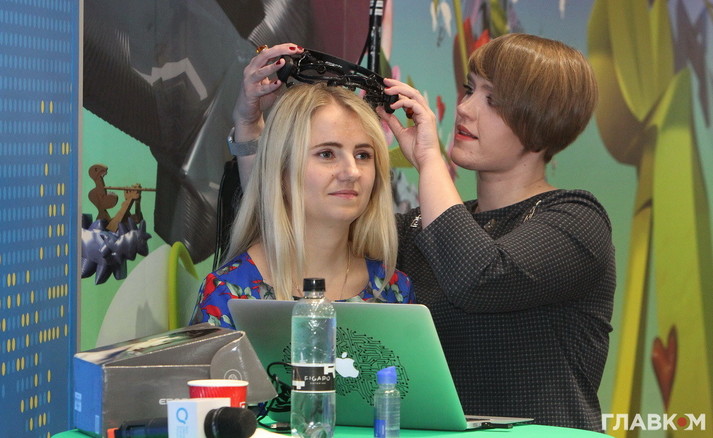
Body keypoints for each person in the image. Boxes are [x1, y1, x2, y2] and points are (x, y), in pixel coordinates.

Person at [230, 35, 615, 431]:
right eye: (469, 89)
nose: (464, 108)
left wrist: (430, 160)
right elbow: (297, 221)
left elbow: (480, 277)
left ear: (544, 120)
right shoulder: (419, 229)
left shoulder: (576, 218)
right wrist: (250, 124)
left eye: (492, 100)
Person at [190, 81, 413, 329]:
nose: (352, 171)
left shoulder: (394, 290)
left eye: (363, 155)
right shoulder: (227, 293)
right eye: (327, 154)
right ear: (281, 169)